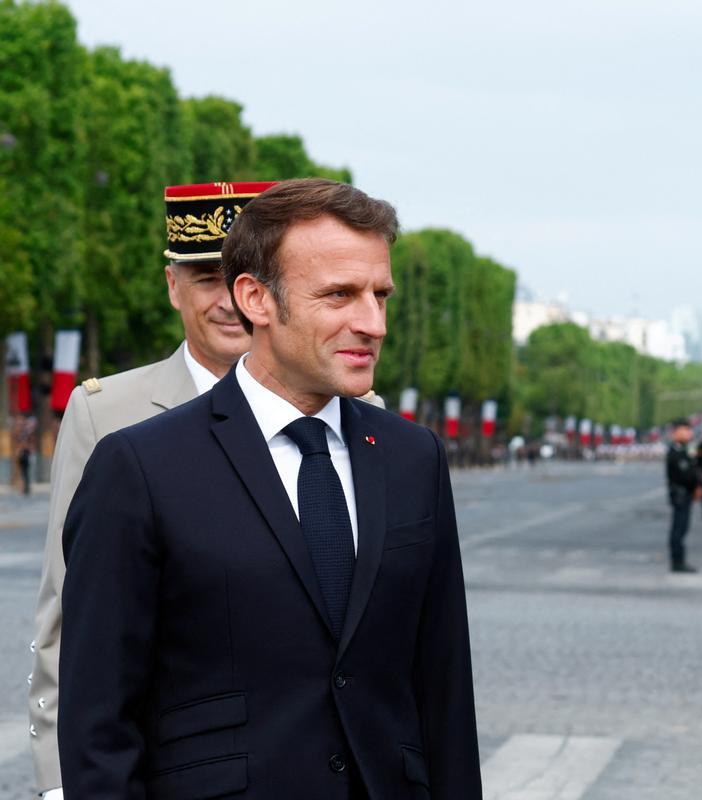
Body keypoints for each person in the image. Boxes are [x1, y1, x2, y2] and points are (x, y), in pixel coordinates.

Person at [57, 178, 481, 799]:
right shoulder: (139, 466)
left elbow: (444, 687)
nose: (372, 322)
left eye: (380, 295)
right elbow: (98, 724)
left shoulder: (413, 457)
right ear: (256, 298)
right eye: (340, 295)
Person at [26, 180, 276, 799]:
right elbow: (68, 613)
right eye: (206, 280)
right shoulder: (106, 415)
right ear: (172, 286)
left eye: (245, 280)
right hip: (157, 766)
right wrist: (63, 785)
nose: (229, 302)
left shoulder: (351, 414)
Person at [665, 418, 701, 573]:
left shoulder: (686, 449)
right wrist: (696, 485)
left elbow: (694, 468)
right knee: (678, 529)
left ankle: (679, 560)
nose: (689, 432)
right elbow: (686, 474)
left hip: (685, 493)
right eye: (685, 429)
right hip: (680, 493)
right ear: (676, 432)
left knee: (682, 527)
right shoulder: (676, 451)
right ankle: (677, 561)